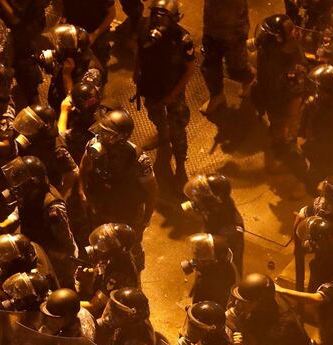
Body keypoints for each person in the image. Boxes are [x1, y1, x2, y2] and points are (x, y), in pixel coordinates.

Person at [80, 109, 158, 269]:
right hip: (101, 206)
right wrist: (83, 194)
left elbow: (152, 192)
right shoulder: (93, 146)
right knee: (102, 240)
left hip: (127, 213)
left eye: (107, 134)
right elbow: (83, 168)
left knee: (131, 246)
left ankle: (135, 270)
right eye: (101, 130)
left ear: (121, 137)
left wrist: (145, 220)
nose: (101, 136)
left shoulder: (139, 160)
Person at [0, 156, 79, 287]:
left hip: (53, 257)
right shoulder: (29, 194)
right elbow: (20, 209)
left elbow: (65, 239)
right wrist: (3, 224)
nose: (15, 186)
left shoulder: (52, 207)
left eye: (20, 181)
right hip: (34, 247)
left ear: (34, 182)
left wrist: (65, 262)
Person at [134, 0, 195, 184]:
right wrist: (136, 72)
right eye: (155, 16)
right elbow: (140, 49)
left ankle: (181, 164)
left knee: (177, 128)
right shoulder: (144, 26)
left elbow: (190, 69)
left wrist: (173, 95)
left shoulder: (183, 39)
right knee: (155, 114)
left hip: (171, 89)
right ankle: (162, 134)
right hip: (151, 85)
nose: (158, 21)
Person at [250, 14, 309, 179]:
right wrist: (293, 120)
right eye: (291, 30)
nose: (295, 32)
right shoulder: (292, 65)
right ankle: (276, 161)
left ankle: (274, 153)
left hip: (268, 96)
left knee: (276, 128)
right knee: (282, 131)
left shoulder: (266, 48)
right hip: (281, 103)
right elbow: (296, 97)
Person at [299, 64, 333, 188]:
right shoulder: (312, 104)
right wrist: (303, 139)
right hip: (318, 145)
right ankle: (311, 187)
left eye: (320, 88)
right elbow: (303, 125)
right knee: (316, 171)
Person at [10, 104, 80, 199]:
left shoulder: (57, 149)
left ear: (44, 128)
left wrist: (60, 195)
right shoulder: (33, 138)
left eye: (31, 124)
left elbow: (73, 172)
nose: (27, 125)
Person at [181, 174, 245, 274]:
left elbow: (226, 249)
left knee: (228, 271)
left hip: (223, 252)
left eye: (201, 196)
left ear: (213, 200)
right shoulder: (214, 206)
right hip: (214, 237)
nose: (197, 198)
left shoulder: (230, 228)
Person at [199, 0, 254, 114]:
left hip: (234, 30)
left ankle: (247, 83)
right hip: (211, 26)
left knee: (237, 67)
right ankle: (217, 96)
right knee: (210, 66)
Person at [80, 223, 141, 316]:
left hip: (113, 315)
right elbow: (102, 268)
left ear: (118, 249)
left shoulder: (119, 274)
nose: (100, 244)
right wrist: (89, 273)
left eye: (107, 242)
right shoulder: (113, 258)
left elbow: (93, 307)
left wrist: (67, 305)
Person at [40, 24, 99, 112]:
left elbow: (79, 104)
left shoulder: (92, 72)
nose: (58, 49)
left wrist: (66, 76)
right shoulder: (69, 58)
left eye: (62, 47)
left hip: (71, 114)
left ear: (73, 52)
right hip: (57, 100)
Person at [62, 0, 116, 80]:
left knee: (98, 72)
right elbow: (62, 10)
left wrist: (94, 35)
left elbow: (112, 14)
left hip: (97, 32)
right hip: (74, 32)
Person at [181, 233, 238, 306]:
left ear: (215, 261)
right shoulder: (208, 270)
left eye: (202, 258)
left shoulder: (217, 281)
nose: (194, 260)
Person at [59, 76, 103, 163]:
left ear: (75, 107)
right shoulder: (112, 108)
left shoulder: (75, 134)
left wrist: (63, 112)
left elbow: (59, 138)